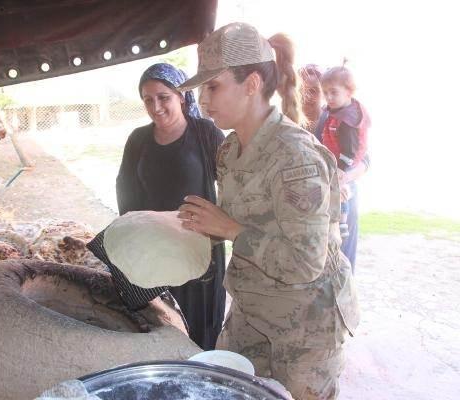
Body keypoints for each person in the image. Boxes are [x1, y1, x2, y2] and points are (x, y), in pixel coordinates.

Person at [176, 23, 359, 399]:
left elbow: (305, 261)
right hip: (252, 311)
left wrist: (230, 230)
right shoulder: (229, 150)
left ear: (252, 84)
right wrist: (202, 225)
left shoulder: (295, 157)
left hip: (306, 325)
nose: (203, 100)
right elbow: (242, 223)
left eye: (213, 86)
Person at [115, 63, 226, 350]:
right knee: (159, 325)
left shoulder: (206, 135)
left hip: (197, 249)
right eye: (148, 100)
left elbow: (233, 188)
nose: (156, 106)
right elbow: (125, 189)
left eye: (163, 97)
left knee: (198, 328)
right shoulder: (138, 139)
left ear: (181, 96)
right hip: (153, 251)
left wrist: (219, 230)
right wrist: (131, 237)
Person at [318, 65, 371, 269]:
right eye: (326, 93)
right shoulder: (332, 113)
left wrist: (341, 171)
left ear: (349, 91)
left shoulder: (348, 119)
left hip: (345, 170)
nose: (328, 97)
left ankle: (343, 220)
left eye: (334, 92)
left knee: (343, 196)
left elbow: (351, 152)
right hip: (335, 170)